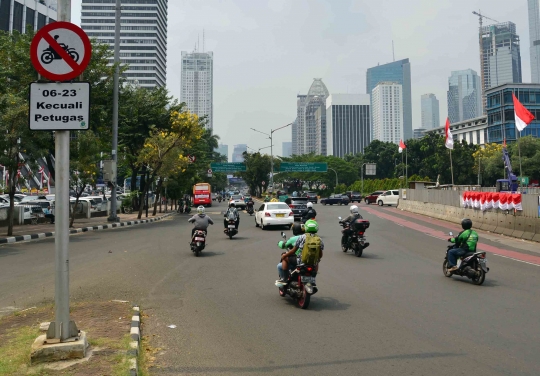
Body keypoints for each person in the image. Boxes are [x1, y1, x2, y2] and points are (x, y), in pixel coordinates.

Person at [277, 219, 323, 286]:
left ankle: (285, 278)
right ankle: (313, 278)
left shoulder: (301, 237)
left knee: (284, 257)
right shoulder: (319, 239)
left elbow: (293, 250)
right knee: (316, 261)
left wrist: (284, 256)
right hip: (312, 262)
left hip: (300, 261)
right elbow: (320, 254)